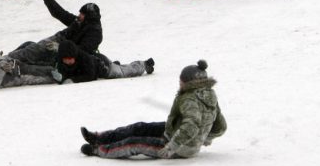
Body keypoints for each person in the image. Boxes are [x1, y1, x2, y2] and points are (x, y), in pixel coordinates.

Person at [81, 60, 226, 159]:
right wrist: (204, 138)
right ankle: (98, 137)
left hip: (179, 148)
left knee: (135, 143)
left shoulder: (190, 99)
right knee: (140, 127)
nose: (179, 83)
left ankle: (98, 150)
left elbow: (192, 124)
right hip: (175, 132)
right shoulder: (209, 95)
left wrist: (173, 146)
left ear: (190, 82)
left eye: (181, 81)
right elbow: (221, 126)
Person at [0, 0, 103, 66]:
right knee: (28, 45)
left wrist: (60, 48)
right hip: (58, 43)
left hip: (64, 56)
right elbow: (59, 13)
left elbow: (83, 51)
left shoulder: (95, 33)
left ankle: (0, 61)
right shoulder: (79, 22)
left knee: (33, 50)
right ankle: (3, 60)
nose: (79, 15)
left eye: (82, 14)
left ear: (89, 16)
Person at [52, 39, 154, 84]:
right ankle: (116, 64)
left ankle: (145, 64)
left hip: (104, 66)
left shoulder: (85, 58)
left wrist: (72, 80)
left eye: (71, 58)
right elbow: (62, 72)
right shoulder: (60, 60)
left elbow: (90, 76)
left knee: (125, 72)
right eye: (66, 59)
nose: (69, 61)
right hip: (96, 63)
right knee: (118, 67)